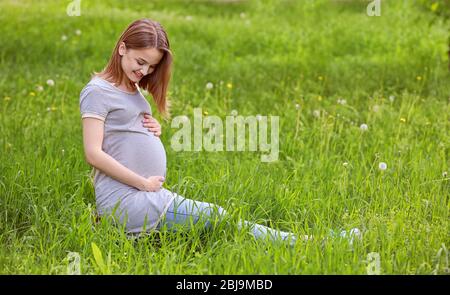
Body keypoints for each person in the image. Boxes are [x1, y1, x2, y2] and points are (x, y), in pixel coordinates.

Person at [80, 18, 358, 248]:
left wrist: (153, 129)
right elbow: (93, 153)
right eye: (140, 62)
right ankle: (312, 245)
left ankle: (308, 241)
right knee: (220, 217)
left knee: (220, 221)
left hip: (145, 195)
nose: (145, 71)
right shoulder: (98, 91)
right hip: (132, 199)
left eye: (152, 66)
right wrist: (143, 183)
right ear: (122, 49)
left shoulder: (131, 87)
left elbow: (122, 133)